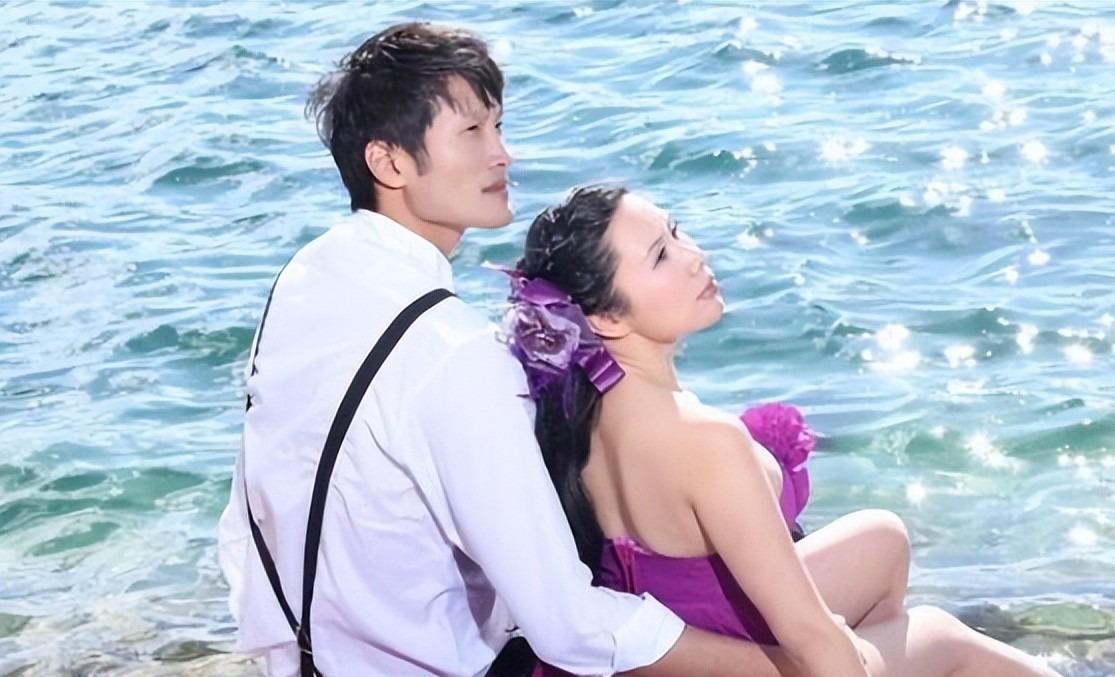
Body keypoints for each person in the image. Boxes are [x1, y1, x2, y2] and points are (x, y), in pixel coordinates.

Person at [217, 23, 807, 676]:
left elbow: (249, 522)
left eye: (497, 126)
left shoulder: (306, 278)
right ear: (389, 163)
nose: (502, 154)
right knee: (878, 638)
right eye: (472, 132)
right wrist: (784, 666)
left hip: (305, 662)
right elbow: (570, 627)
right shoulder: (451, 352)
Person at [504, 184, 1060, 677]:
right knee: (940, 636)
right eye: (661, 256)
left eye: (676, 232)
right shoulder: (703, 439)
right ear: (605, 318)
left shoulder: (581, 414)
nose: (694, 256)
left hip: (680, 632)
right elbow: (807, 633)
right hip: (716, 651)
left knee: (882, 539)